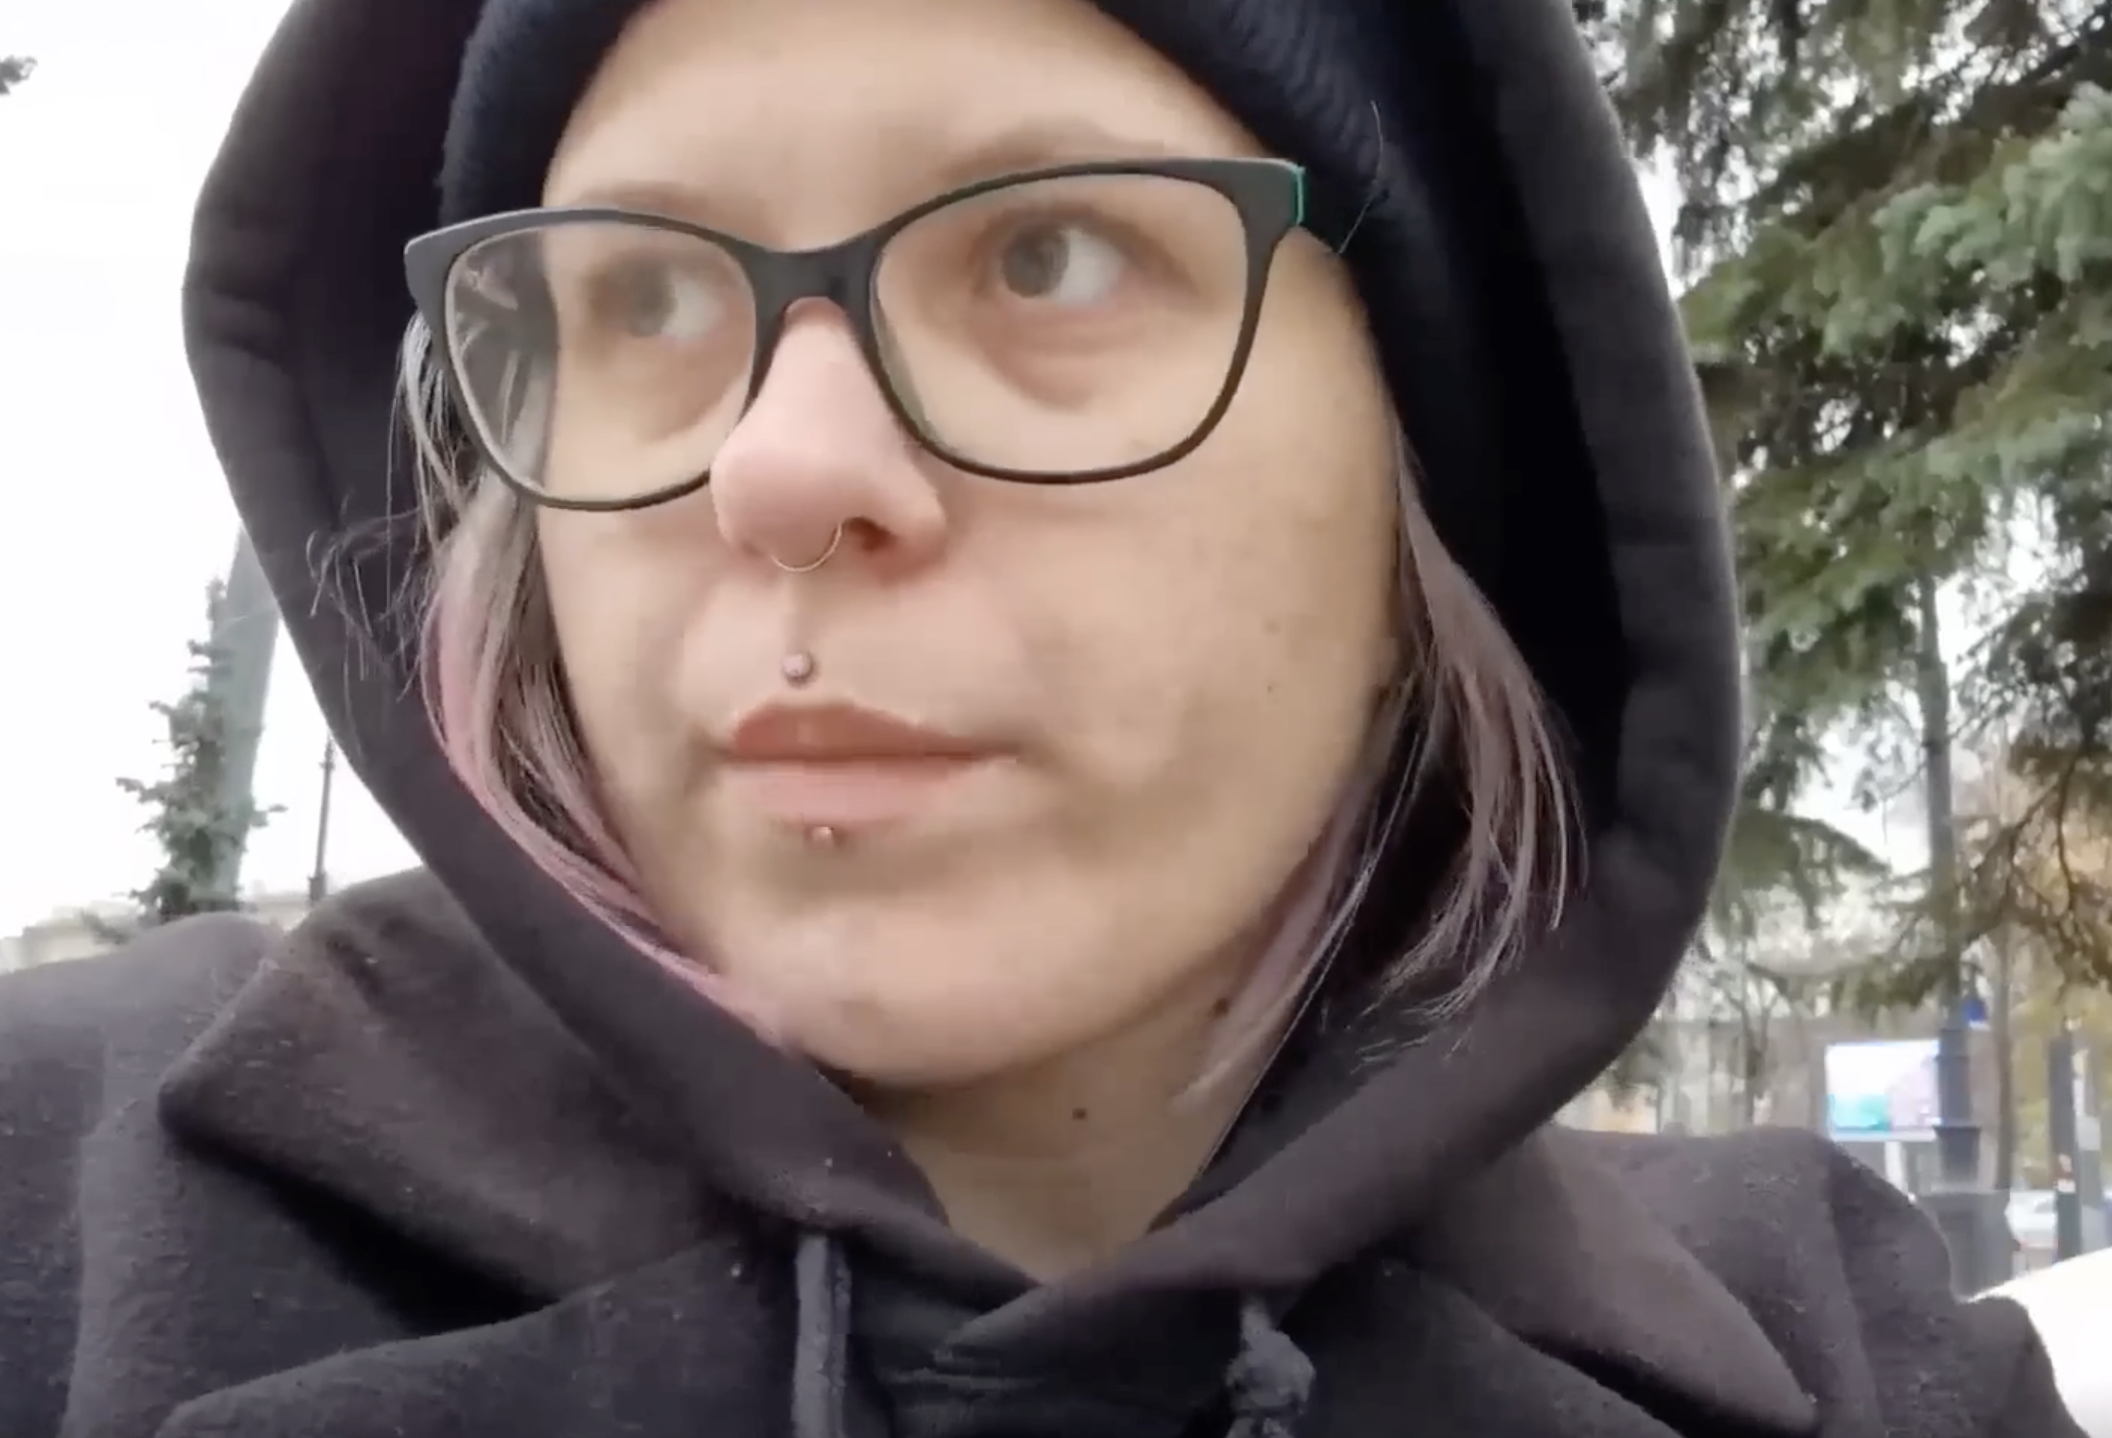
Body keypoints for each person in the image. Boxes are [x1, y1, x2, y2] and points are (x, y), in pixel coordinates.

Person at [0, 0, 2084, 1434]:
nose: (778, 464)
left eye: (1053, 253)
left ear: (1422, 502)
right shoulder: (73, 1198)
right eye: (640, 294)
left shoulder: (1837, 1356)